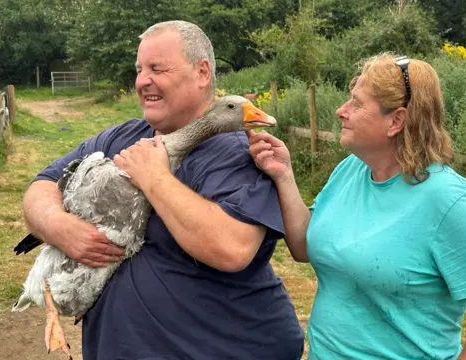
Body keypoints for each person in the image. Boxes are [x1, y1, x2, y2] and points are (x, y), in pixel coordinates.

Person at [22, 20, 305, 360]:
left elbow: (231, 249)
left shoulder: (241, 154)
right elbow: (44, 184)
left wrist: (154, 178)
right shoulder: (121, 137)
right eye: (140, 69)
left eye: (157, 68)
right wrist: (59, 226)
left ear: (202, 73)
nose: (142, 81)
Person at [247, 53, 466, 359]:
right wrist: (284, 175)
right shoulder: (351, 170)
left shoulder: (449, 201)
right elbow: (303, 247)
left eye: (356, 104)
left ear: (396, 120)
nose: (342, 111)